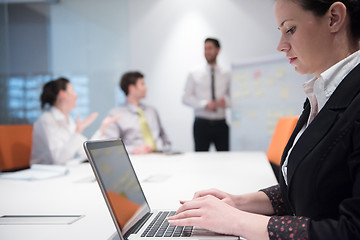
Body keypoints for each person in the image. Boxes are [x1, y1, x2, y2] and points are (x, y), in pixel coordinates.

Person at [168, 0, 360, 239]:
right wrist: (238, 202)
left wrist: (237, 221)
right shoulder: (322, 93)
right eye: (280, 32)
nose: (280, 45)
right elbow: (311, 187)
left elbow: (352, 231)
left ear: (333, 18)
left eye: (290, 29)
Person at [31, 77, 119, 165]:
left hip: (62, 170)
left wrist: (102, 128)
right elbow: (58, 160)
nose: (76, 96)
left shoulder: (68, 119)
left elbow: (86, 151)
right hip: (46, 173)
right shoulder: (47, 119)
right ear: (62, 94)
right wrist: (78, 132)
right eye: (72, 91)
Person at [103, 71, 171, 154]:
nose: (146, 88)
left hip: (161, 156)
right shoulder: (115, 114)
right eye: (142, 84)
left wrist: (165, 149)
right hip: (137, 159)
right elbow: (112, 146)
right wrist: (134, 150)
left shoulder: (152, 111)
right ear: (132, 88)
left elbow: (164, 137)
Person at [182, 38, 231, 151]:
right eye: (205, 49)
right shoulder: (194, 73)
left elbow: (233, 97)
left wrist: (225, 102)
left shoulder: (227, 73)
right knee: (200, 159)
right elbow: (185, 98)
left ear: (218, 50)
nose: (207, 52)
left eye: (210, 48)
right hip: (201, 124)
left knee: (225, 159)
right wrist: (204, 104)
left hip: (221, 124)